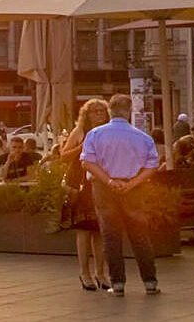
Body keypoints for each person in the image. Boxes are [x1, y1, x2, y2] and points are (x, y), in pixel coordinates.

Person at [83, 94, 161, 296]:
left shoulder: (95, 134)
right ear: (129, 111)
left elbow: (88, 162)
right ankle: (150, 281)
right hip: (133, 187)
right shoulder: (143, 137)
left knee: (110, 236)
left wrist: (108, 180)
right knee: (140, 235)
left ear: (110, 110)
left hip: (104, 187)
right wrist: (133, 183)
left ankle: (117, 283)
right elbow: (152, 166)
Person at [57, 100, 110, 292]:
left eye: (102, 111)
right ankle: (84, 272)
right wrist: (82, 147)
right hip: (80, 183)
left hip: (100, 181)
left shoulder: (108, 131)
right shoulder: (79, 131)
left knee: (99, 230)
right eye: (95, 111)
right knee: (83, 230)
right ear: (87, 114)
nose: (99, 114)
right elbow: (63, 156)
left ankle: (101, 273)